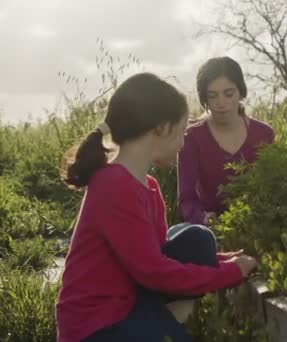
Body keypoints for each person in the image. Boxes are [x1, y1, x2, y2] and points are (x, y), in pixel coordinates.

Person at [55, 72, 257, 342]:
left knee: (197, 238)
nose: (183, 143)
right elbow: (155, 272)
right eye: (182, 132)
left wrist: (227, 260)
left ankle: (161, 324)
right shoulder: (114, 184)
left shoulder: (147, 185)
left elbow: (157, 255)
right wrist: (231, 273)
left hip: (130, 305)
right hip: (95, 325)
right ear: (161, 128)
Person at [178, 57, 274, 225]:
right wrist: (203, 218)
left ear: (240, 92)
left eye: (228, 94)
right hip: (211, 230)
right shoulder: (192, 138)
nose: (221, 103)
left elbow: (273, 188)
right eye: (213, 96)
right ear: (205, 99)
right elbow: (186, 197)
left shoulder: (264, 134)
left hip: (259, 225)